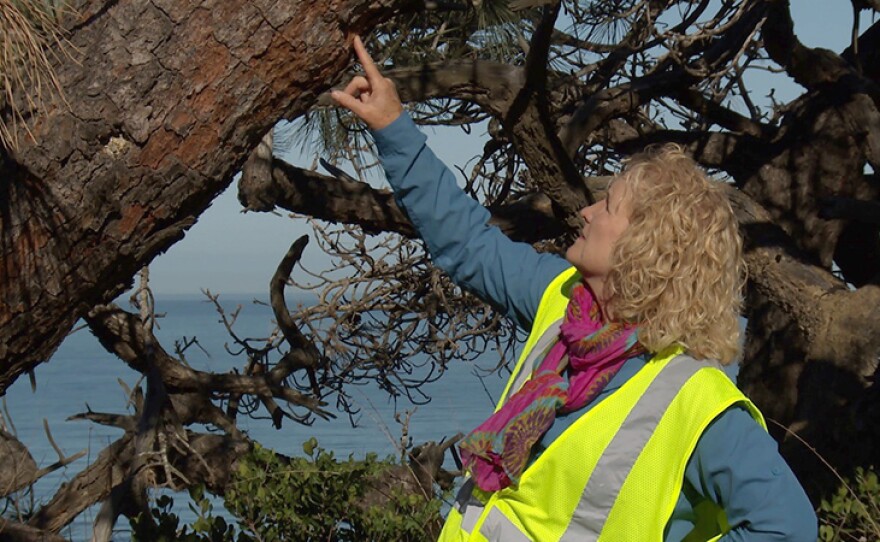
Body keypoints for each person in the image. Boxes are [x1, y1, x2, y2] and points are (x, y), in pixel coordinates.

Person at [331, 36, 818, 541]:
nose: (586, 212)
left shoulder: (696, 401)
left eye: (607, 209)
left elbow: (789, 529)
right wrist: (393, 126)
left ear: (644, 248)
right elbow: (467, 243)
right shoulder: (562, 298)